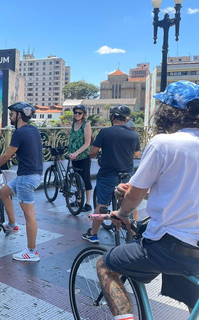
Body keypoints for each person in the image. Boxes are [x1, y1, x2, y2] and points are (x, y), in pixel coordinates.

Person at [96, 81, 199, 319]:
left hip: (170, 247)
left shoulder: (164, 143)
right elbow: (183, 190)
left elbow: (134, 195)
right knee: (189, 293)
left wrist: (121, 213)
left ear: (168, 111)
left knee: (106, 265)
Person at [0, 102, 43, 262]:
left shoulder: (19, 133)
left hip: (26, 178)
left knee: (29, 216)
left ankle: (32, 251)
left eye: (12, 114)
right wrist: (19, 154)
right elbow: (29, 149)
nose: (10, 117)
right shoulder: (33, 130)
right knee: (3, 192)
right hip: (32, 175)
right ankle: (12, 225)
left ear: (19, 115)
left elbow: (6, 155)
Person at [82, 105, 140, 243]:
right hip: (126, 174)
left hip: (107, 174)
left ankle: (93, 234)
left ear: (112, 117)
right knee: (130, 203)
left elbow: (93, 151)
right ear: (126, 119)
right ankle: (135, 233)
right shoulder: (134, 134)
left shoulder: (105, 132)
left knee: (101, 205)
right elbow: (137, 154)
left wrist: (100, 156)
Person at [68, 104, 93, 212]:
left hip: (83, 156)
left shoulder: (86, 125)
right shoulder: (73, 124)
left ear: (83, 114)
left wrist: (77, 152)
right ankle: (78, 200)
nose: (77, 115)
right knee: (77, 179)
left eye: (80, 113)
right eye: (76, 112)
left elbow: (87, 143)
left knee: (85, 179)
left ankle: (87, 203)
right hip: (74, 157)